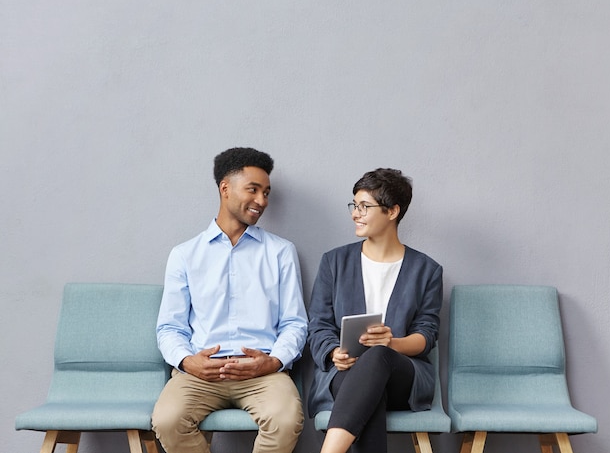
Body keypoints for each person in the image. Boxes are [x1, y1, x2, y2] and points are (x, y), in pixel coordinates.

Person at [152, 147, 308, 453]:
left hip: (262, 372)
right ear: (225, 188)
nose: (262, 201)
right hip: (201, 373)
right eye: (253, 189)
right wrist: (188, 361)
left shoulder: (281, 252)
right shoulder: (185, 255)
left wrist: (273, 361)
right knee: (168, 420)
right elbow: (169, 327)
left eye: (266, 192)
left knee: (286, 420)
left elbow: (295, 323)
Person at [307, 168, 443, 453]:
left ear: (392, 211)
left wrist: (390, 343)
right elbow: (318, 325)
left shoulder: (427, 270)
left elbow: (426, 335)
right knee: (369, 392)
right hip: (344, 373)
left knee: (379, 355)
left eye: (364, 206)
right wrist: (335, 353)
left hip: (403, 377)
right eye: (354, 206)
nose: (356, 213)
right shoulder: (334, 262)